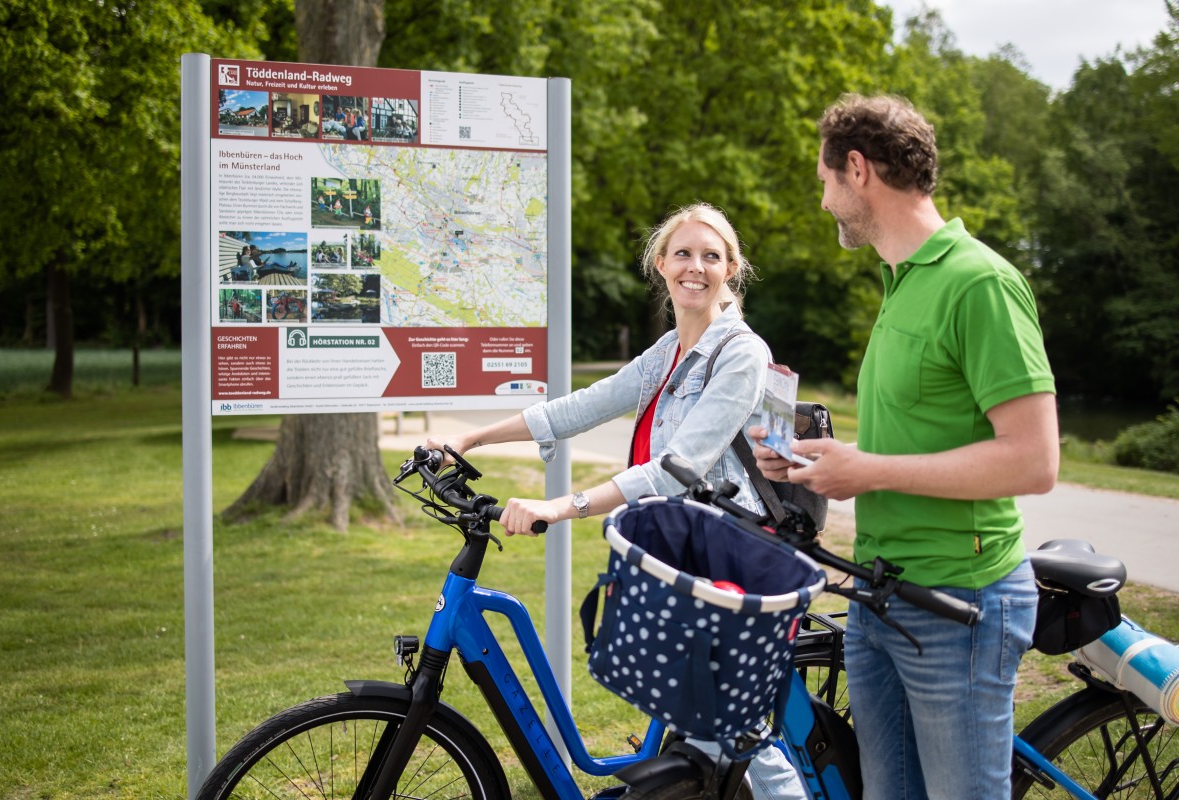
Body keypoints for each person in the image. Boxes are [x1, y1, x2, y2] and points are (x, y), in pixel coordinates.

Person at [426, 202, 808, 800]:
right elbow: (579, 406)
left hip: (729, 562)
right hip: (677, 555)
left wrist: (563, 505)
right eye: (683, 253)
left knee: (742, 737)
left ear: (731, 269)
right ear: (661, 263)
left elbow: (677, 468)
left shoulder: (741, 353)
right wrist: (470, 437)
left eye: (712, 256)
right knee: (698, 730)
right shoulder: (669, 351)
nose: (696, 267)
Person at [750, 93, 1058, 799]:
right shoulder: (899, 282)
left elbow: (1034, 461)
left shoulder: (979, 283)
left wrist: (871, 469)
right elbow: (927, 438)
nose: (822, 199)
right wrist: (827, 463)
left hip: (960, 605)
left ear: (857, 169)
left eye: (824, 180)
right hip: (881, 594)